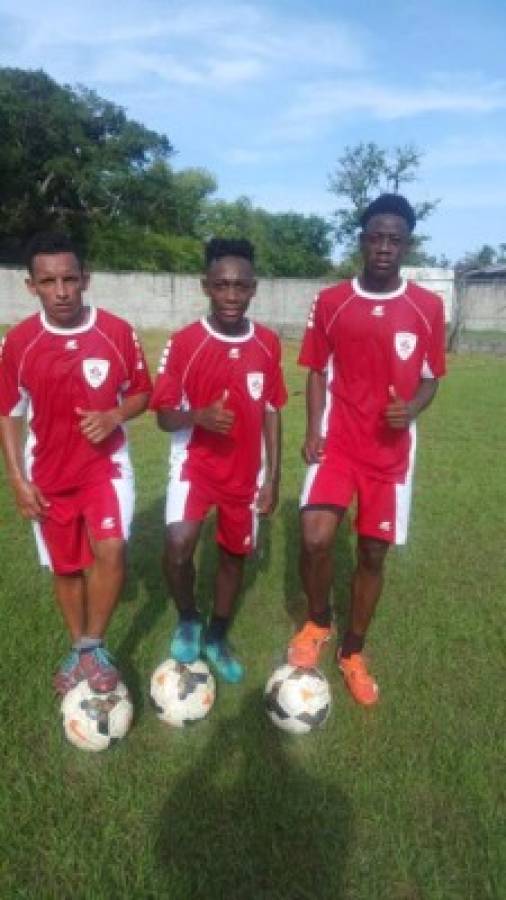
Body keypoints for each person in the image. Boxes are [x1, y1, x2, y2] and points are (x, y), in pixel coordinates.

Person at [287, 194, 446, 705]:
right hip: (338, 442)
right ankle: (318, 622)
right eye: (375, 237)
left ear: (406, 245)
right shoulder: (332, 301)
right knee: (314, 537)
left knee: (372, 553)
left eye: (394, 239)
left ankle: (353, 650)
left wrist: (413, 409)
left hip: (390, 452)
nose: (383, 247)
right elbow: (314, 369)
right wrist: (314, 428)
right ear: (361, 240)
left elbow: (430, 379)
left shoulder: (427, 306)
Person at [0, 232, 152, 695]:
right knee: (66, 568)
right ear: (31, 286)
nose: (61, 291)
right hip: (48, 473)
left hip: (105, 469)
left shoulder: (117, 331)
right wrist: (18, 480)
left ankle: (94, 645)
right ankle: (78, 646)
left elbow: (143, 393)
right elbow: (9, 411)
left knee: (111, 551)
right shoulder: (19, 342)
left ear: (85, 279)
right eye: (49, 281)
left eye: (70, 278)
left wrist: (115, 415)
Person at [150, 237, 287, 683]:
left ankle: (217, 633)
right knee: (177, 547)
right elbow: (166, 418)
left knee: (233, 555)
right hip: (195, 466)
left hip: (245, 475)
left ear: (253, 288)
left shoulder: (267, 344)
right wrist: (199, 417)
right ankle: (189, 616)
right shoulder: (185, 343)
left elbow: (271, 410)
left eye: (240, 286)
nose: (231, 296)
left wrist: (274, 478)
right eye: (222, 285)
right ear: (206, 286)